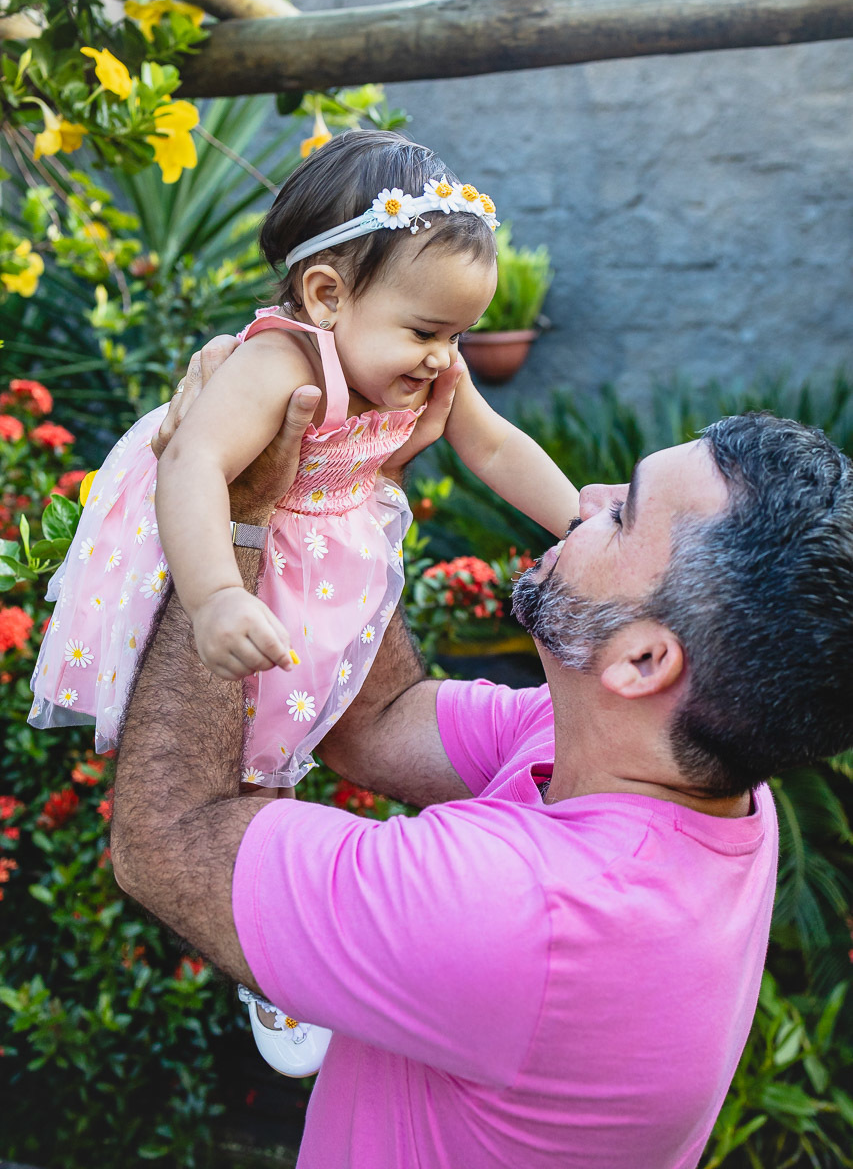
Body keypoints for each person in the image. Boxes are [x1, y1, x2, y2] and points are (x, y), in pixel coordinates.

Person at [110, 346, 853, 1169]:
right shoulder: (681, 772)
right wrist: (341, 486)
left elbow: (168, 838)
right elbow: (379, 721)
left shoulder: (531, 912)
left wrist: (231, 514)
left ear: (642, 662)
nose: (590, 497)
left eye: (622, 514)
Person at [27, 130, 578, 1072]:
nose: (443, 358)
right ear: (327, 296)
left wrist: (580, 526)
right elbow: (194, 464)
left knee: (288, 733)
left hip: (329, 554)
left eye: (455, 334)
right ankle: (264, 953)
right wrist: (211, 598)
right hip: (225, 544)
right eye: (424, 331)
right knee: (234, 740)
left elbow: (490, 445)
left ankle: (283, 925)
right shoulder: (280, 362)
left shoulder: (421, 357)